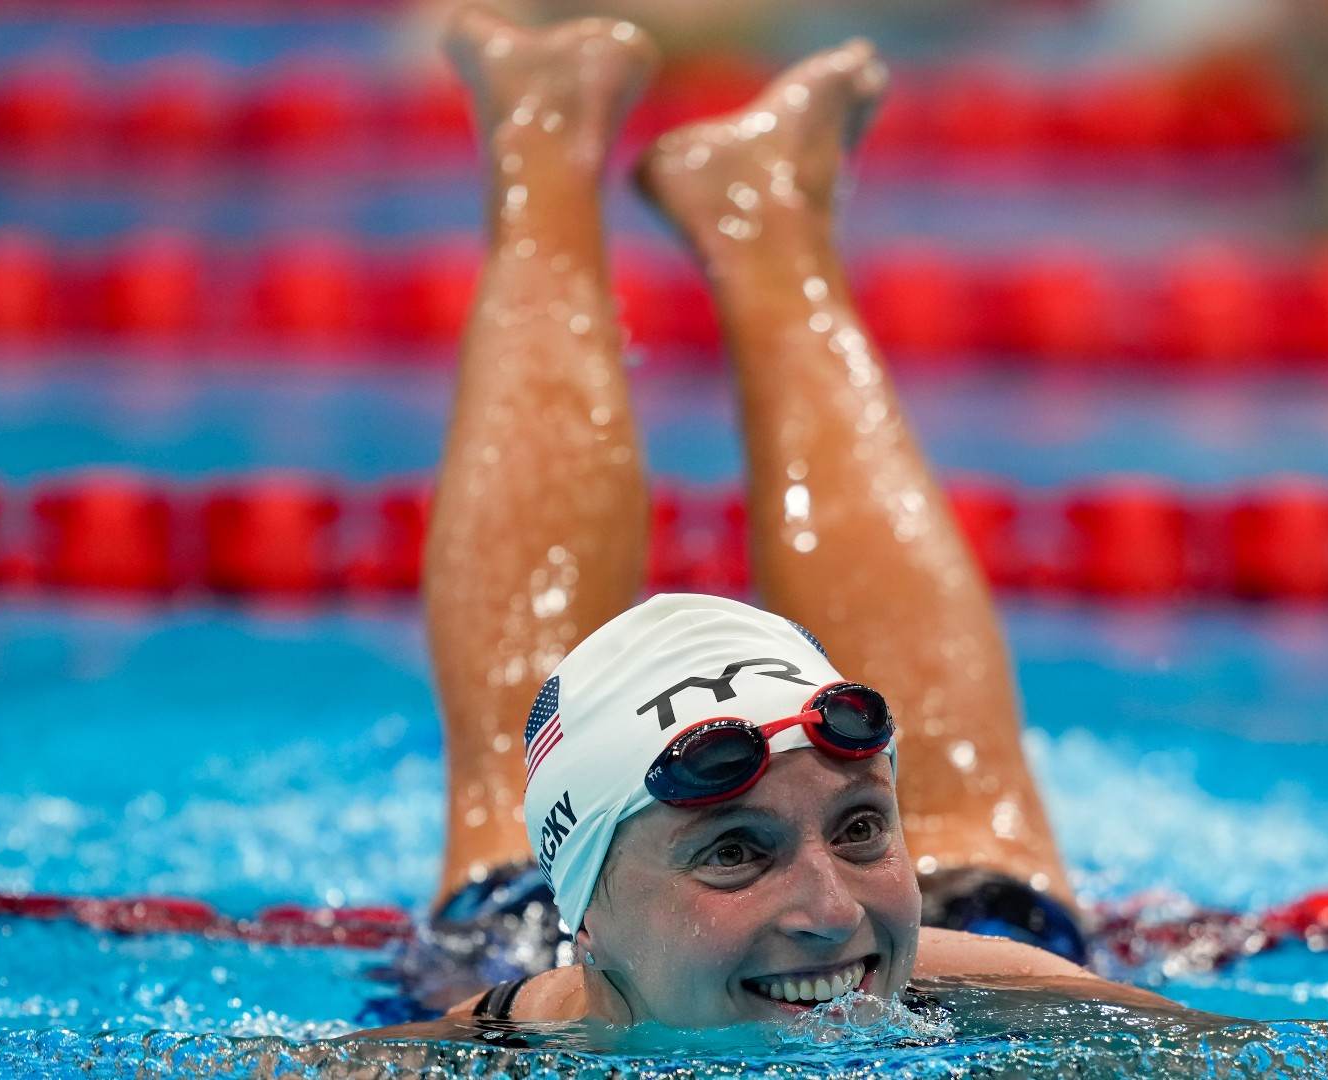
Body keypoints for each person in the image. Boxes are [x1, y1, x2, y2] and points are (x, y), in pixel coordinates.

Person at [363, 4, 1180, 1031]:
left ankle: (722, 195)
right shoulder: (480, 1047)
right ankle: (579, 155)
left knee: (970, 850)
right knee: (970, 831)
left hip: (778, 951)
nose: (831, 917)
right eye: (735, 849)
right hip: (607, 966)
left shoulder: (999, 996)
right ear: (591, 924)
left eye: (864, 828)